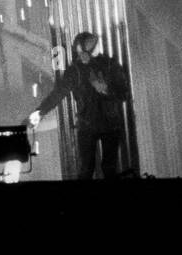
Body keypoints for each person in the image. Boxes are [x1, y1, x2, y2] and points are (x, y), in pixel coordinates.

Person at [27, 31, 131, 179]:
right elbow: (58, 93)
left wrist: (106, 89)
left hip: (108, 125)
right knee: (87, 170)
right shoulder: (76, 70)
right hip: (91, 125)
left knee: (106, 169)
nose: (82, 56)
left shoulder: (109, 65)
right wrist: (39, 112)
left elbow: (124, 93)